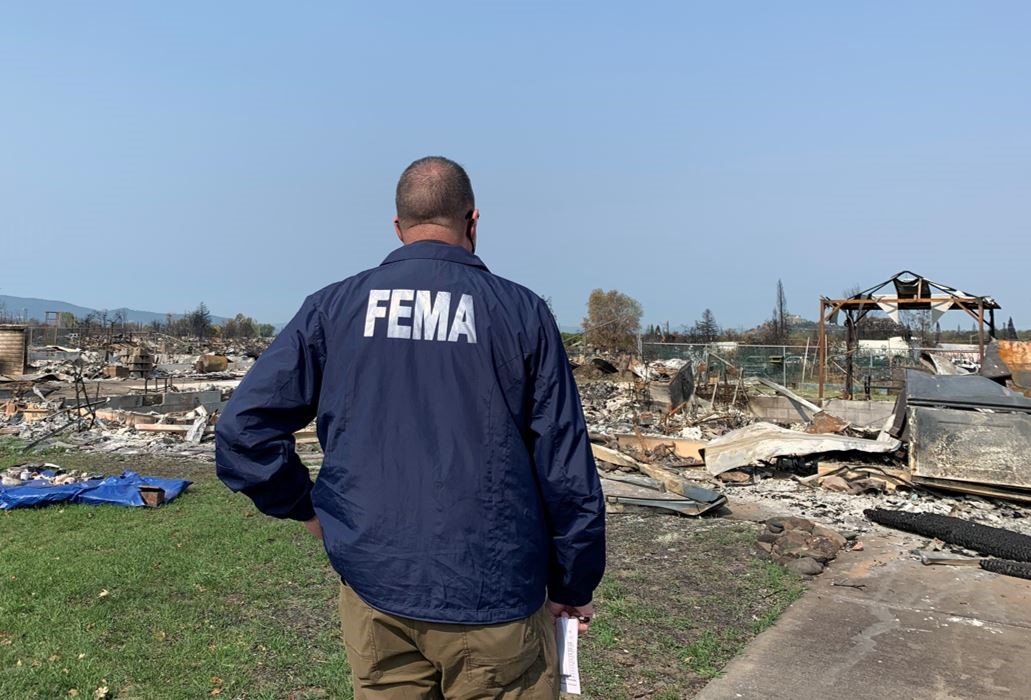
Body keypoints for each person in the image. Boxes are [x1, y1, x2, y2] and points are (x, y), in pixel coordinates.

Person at [216, 156, 606, 699]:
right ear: (473, 222)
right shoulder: (522, 313)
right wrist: (574, 580)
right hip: (492, 597)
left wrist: (306, 510)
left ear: (398, 228)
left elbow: (243, 430)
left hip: (377, 589)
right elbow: (565, 465)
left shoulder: (336, 307)